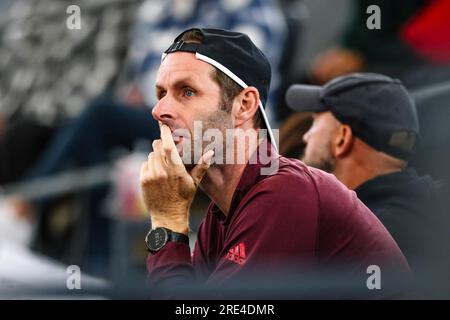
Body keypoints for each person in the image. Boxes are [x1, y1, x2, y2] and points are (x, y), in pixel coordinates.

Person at [139, 28, 411, 298]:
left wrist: (168, 220)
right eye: (161, 93)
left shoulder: (285, 193)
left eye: (186, 92)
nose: (159, 110)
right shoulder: (221, 215)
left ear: (244, 105)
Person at [285, 72, 449, 297]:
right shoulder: (430, 206)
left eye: (315, 122)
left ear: (342, 138)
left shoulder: (360, 236)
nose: (306, 137)